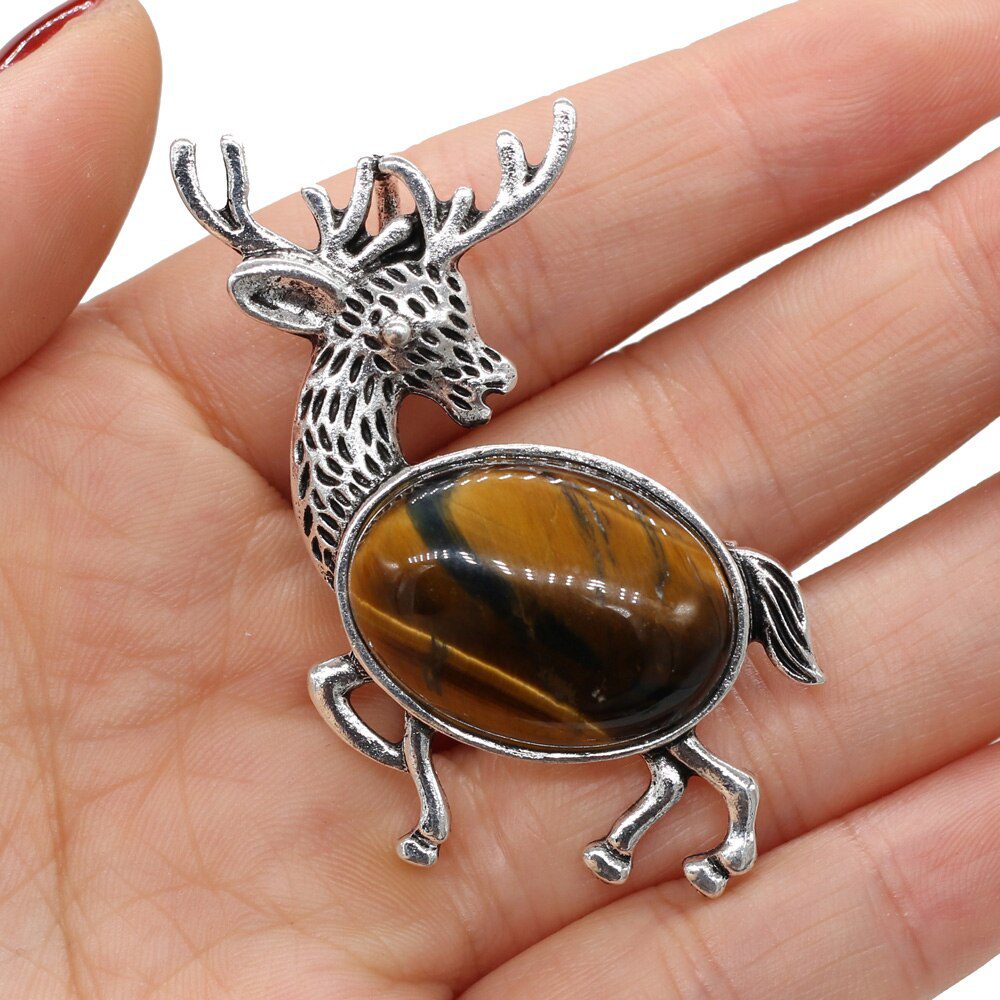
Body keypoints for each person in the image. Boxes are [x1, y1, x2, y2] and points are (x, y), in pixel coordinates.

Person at [0, 0, 996, 996]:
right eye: (420, 344)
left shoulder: (428, 516)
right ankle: (640, 800)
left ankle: (658, 796)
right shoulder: (388, 509)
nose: (485, 369)